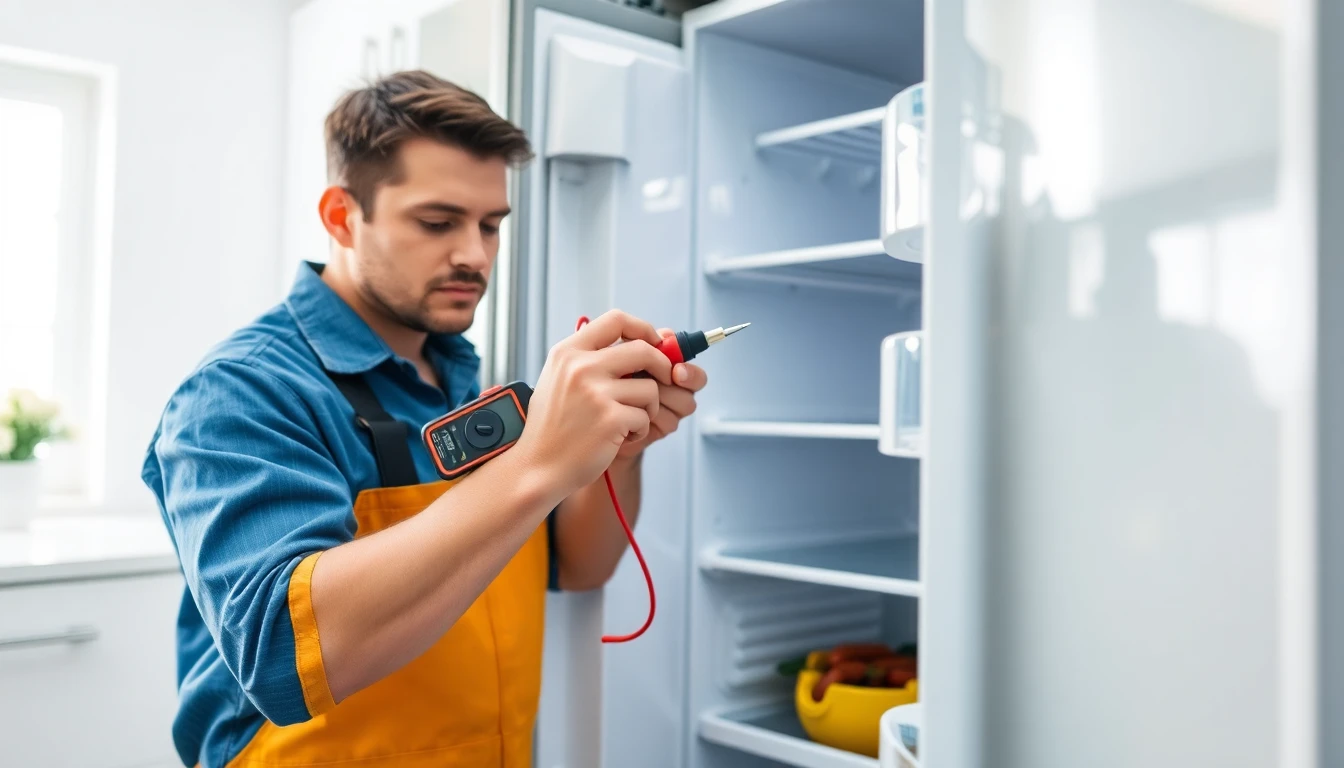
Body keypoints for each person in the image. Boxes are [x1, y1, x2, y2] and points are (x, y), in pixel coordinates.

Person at [141, 70, 706, 768]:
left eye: (490, 225)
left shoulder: (470, 384)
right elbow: (284, 658)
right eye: (438, 223)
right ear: (342, 217)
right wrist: (540, 464)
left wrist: (619, 450)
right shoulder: (242, 392)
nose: (474, 253)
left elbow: (580, 567)